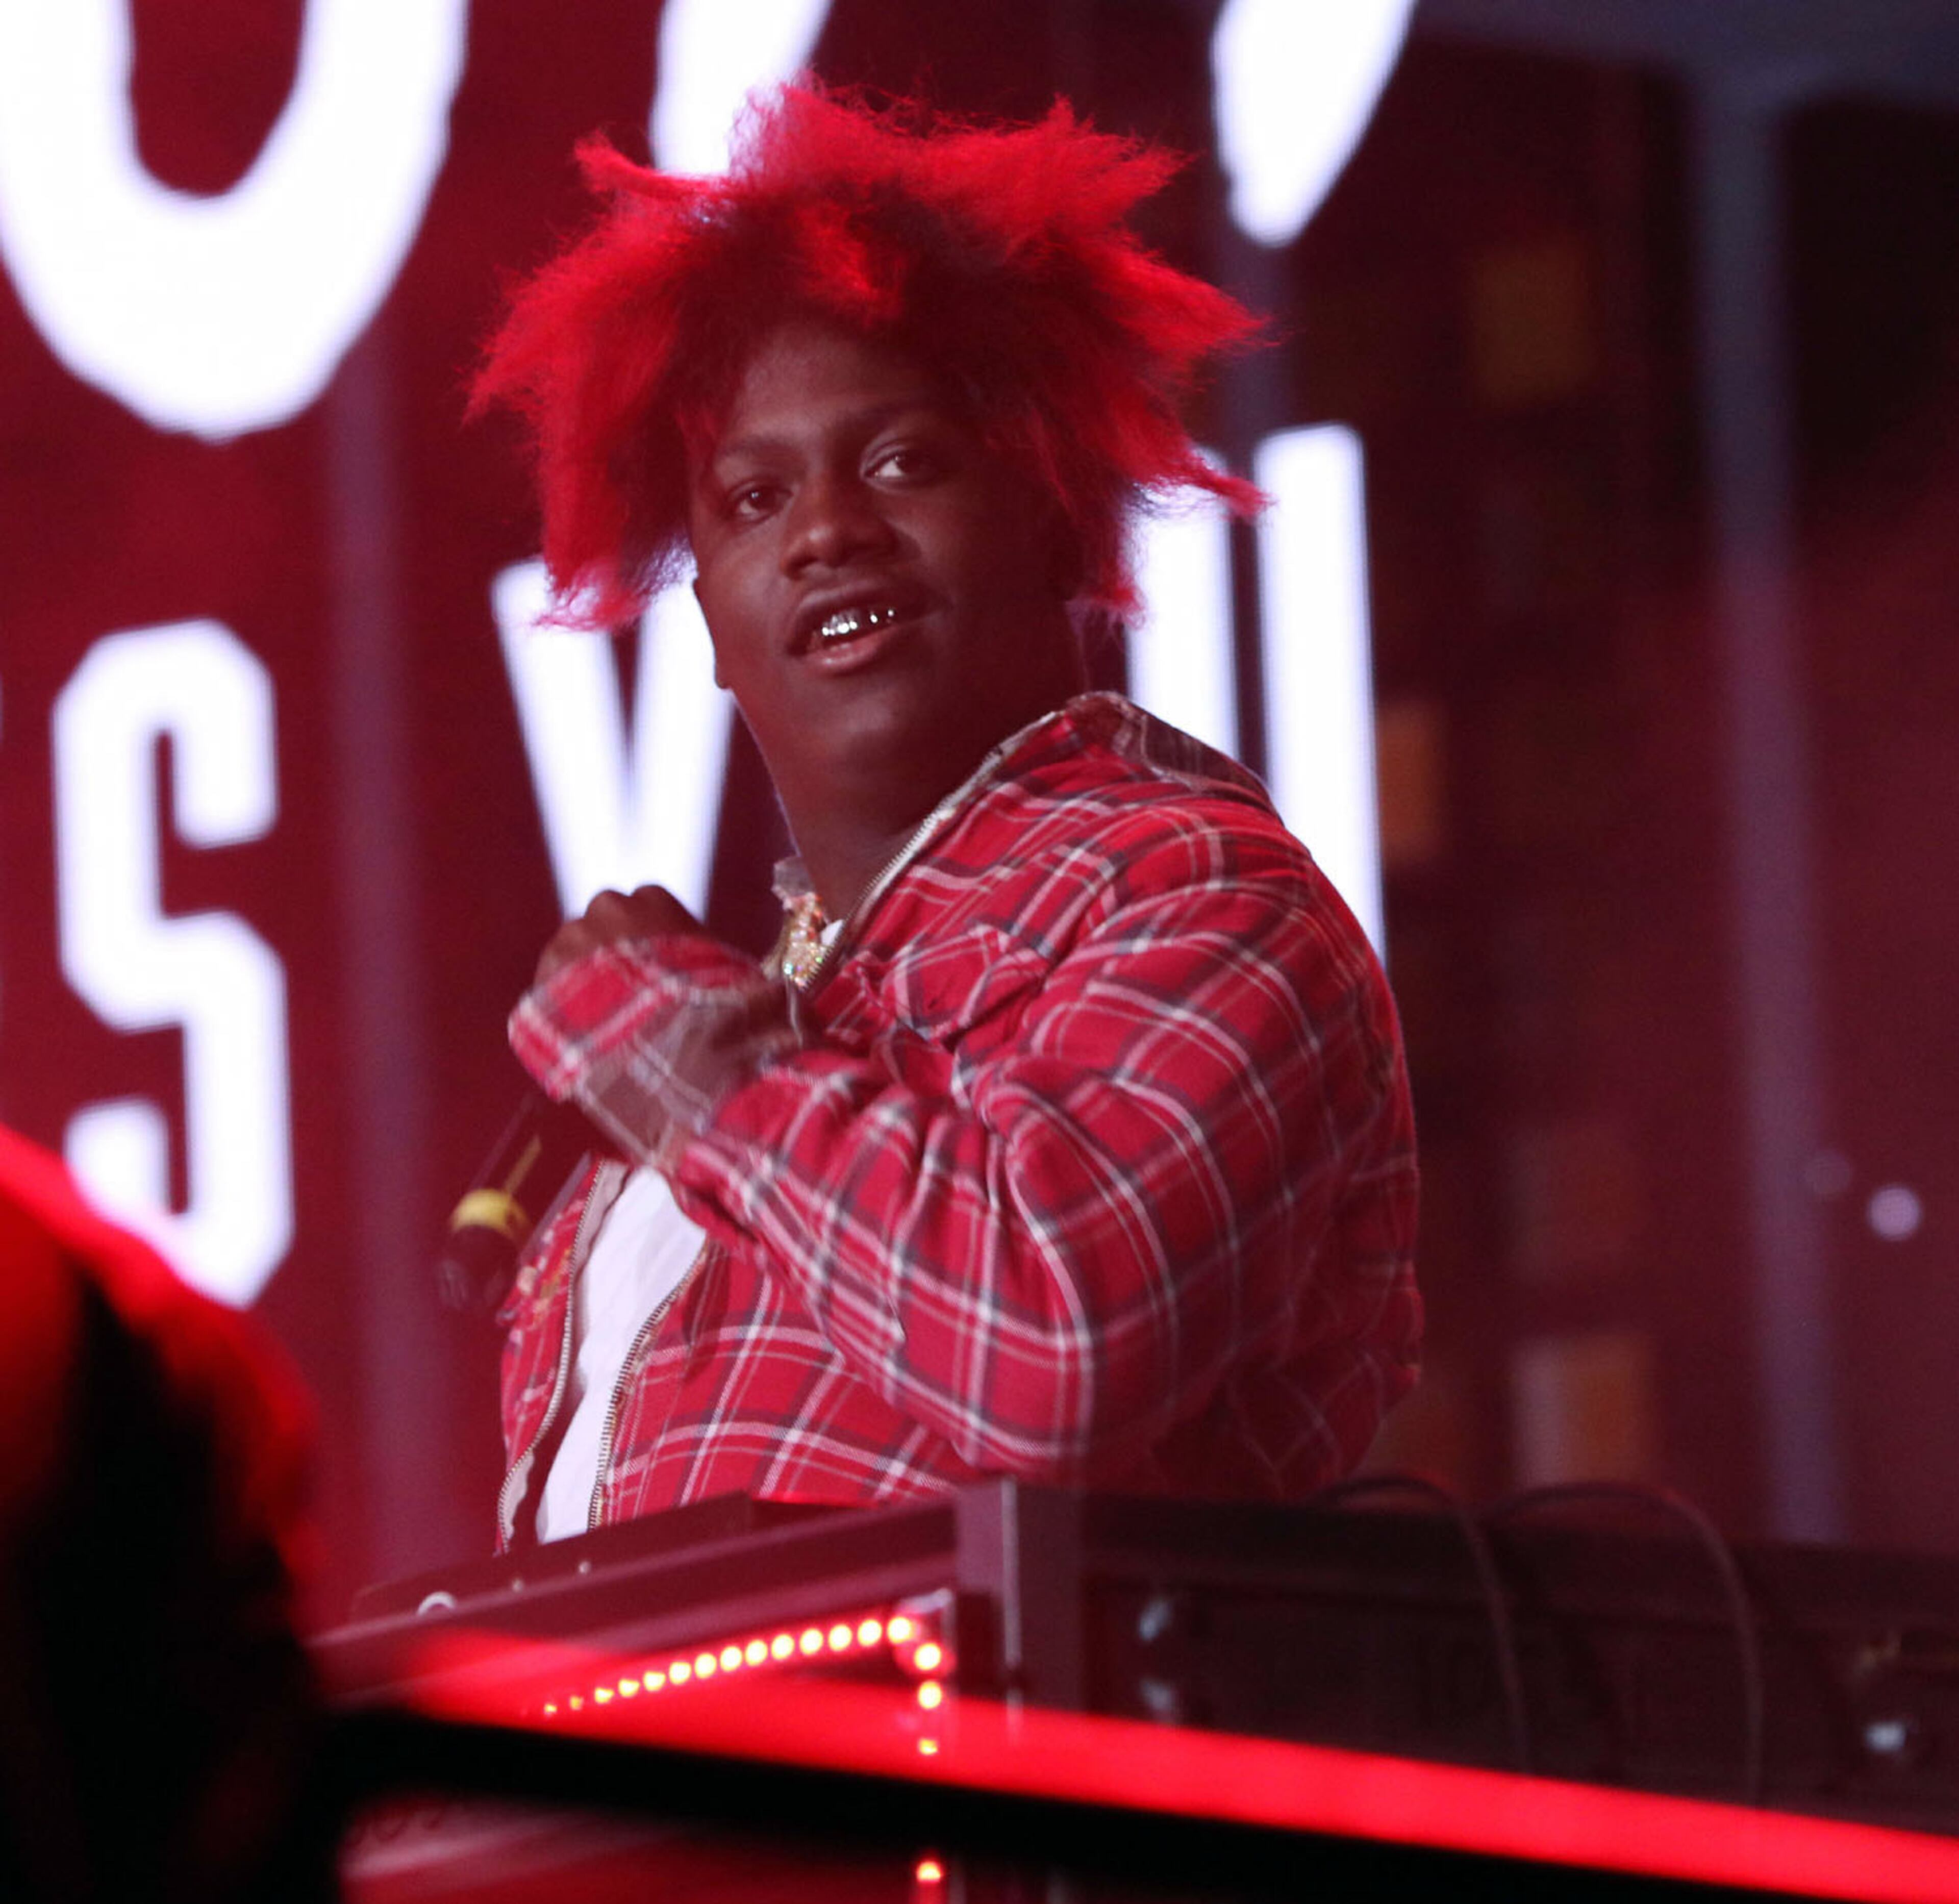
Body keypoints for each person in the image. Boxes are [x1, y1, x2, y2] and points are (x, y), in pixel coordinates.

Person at [474, 85, 1420, 1549]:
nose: (827, 531)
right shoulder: (734, 1045)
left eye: (904, 461)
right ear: (713, 626)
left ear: (1050, 510)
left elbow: (1050, 1347)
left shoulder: (1192, 896)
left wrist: (680, 1053)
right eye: (751, 498)